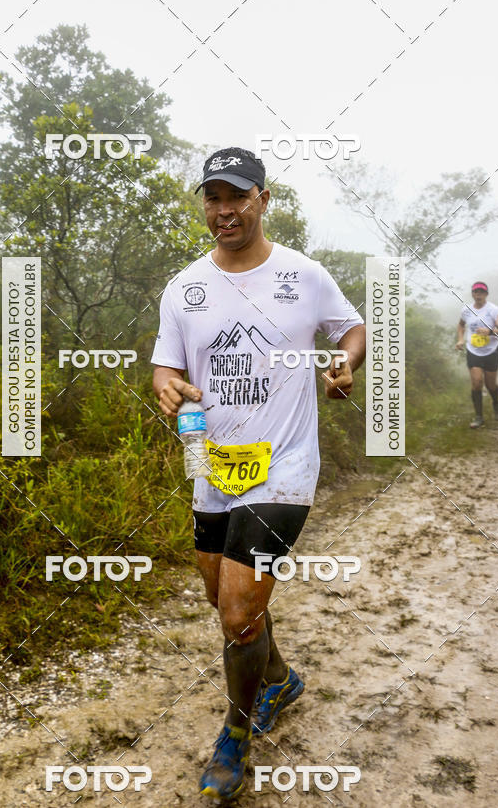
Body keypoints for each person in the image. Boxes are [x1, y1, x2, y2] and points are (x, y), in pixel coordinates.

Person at [151, 146, 366, 801]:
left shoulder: (302, 275)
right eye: (213, 198)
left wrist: (344, 363)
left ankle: (237, 734)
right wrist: (165, 386)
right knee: (225, 601)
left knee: (240, 606)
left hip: (286, 467)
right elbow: (166, 365)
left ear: (263, 200)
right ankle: (277, 678)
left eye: (237, 196)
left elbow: (352, 328)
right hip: (213, 466)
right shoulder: (183, 288)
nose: (224, 210)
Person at [456, 282, 498, 428]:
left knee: (490, 385)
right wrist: (461, 339)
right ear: (472, 294)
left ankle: (495, 402)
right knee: (476, 383)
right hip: (473, 350)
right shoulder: (466, 310)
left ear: (486, 294)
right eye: (476, 292)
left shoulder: (494, 310)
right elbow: (461, 325)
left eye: (481, 292)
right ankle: (479, 417)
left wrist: (490, 332)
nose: (478, 295)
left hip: (491, 351)